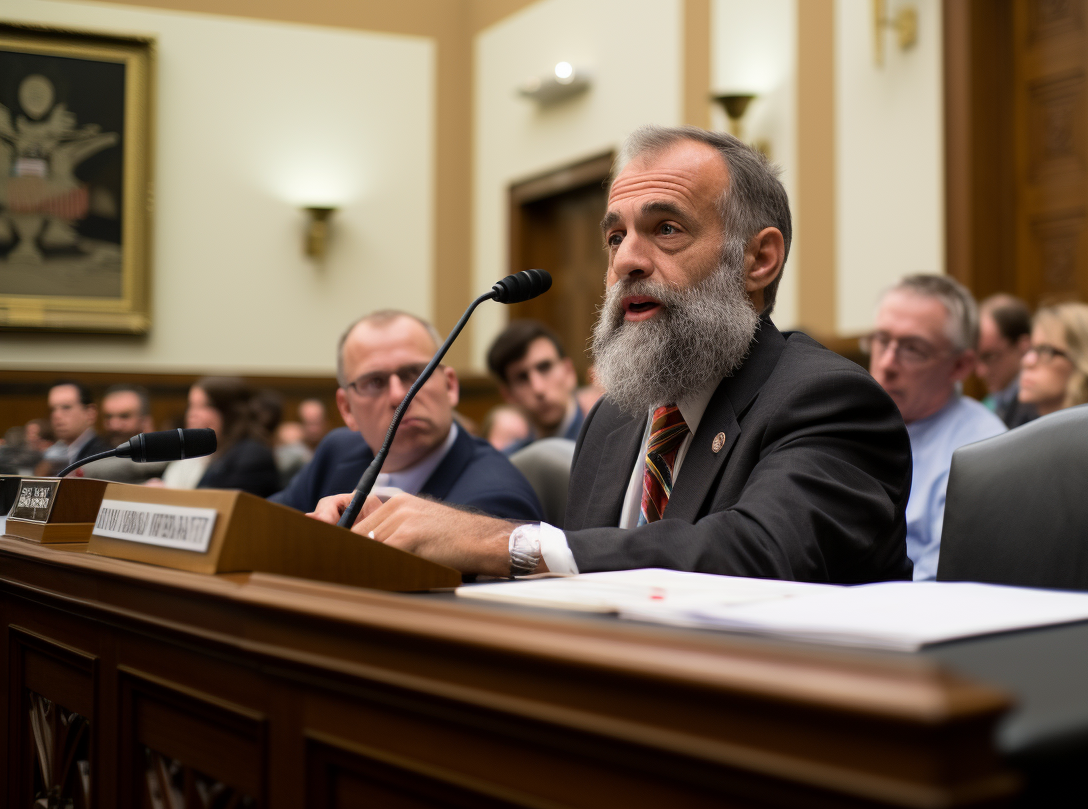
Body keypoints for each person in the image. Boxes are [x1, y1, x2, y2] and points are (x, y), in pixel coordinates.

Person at [311, 125, 912, 583]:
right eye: (616, 237)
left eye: (667, 229)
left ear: (758, 260)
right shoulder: (617, 419)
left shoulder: (828, 400)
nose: (626, 260)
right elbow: (583, 591)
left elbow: (757, 554)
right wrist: (396, 534)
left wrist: (506, 545)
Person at [270, 310, 543, 521]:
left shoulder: (495, 497)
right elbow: (264, 525)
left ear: (450, 386)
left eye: (415, 375)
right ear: (346, 409)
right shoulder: (336, 452)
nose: (399, 396)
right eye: (374, 382)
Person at [866, 275, 1006, 581]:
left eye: (913, 349)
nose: (887, 364)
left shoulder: (983, 448)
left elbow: (945, 580)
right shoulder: (849, 422)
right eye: (882, 340)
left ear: (961, 366)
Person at [485, 320, 585, 453]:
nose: (538, 389)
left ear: (569, 372)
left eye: (545, 367)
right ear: (508, 395)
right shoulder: (511, 461)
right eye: (522, 378)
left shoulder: (605, 440)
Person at [180, 378, 282, 496]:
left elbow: (228, 506)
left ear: (229, 412)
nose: (192, 414)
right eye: (191, 405)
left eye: (204, 406)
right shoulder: (220, 451)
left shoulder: (252, 454)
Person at [82, 385, 168, 484]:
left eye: (124, 416)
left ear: (145, 421)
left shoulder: (164, 462)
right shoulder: (91, 452)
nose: (114, 426)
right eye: (108, 417)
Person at [976, 293, 1038, 429]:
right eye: (977, 358)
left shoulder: (1038, 407)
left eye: (991, 357)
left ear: (1023, 346)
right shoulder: (992, 401)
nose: (980, 372)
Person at [43, 381, 110, 475]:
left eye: (66, 407)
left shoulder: (103, 455)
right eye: (53, 409)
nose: (56, 415)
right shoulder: (53, 456)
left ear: (90, 413)